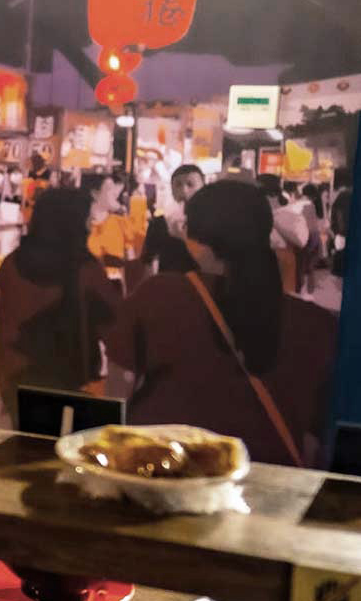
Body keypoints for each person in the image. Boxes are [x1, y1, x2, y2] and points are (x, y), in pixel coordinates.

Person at [106, 180, 338, 467]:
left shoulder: (159, 295)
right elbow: (316, 439)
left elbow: (117, 394)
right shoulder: (317, 324)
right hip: (267, 479)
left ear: (196, 239)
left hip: (165, 470)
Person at [0, 188, 122, 423]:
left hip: (17, 383)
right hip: (71, 388)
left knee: (27, 442)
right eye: (86, 220)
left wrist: (0, 381)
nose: (89, 227)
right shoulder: (87, 270)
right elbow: (116, 331)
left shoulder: (11, 264)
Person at [141, 164, 203, 274]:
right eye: (178, 185)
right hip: (168, 282)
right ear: (172, 190)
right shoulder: (158, 223)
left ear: (203, 188)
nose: (184, 190)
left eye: (190, 184)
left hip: (201, 282)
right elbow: (147, 261)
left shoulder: (211, 223)